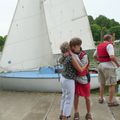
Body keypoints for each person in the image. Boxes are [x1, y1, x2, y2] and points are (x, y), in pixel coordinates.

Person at [59, 42, 88, 120]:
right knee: (69, 99)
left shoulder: (63, 56)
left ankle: (61, 114)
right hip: (69, 80)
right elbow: (80, 69)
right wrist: (86, 65)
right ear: (69, 48)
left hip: (63, 78)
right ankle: (66, 117)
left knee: (64, 97)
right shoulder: (70, 58)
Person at [93, 34, 120, 106]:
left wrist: (100, 61)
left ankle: (101, 98)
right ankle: (110, 102)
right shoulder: (109, 45)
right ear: (109, 39)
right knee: (112, 84)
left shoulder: (99, 46)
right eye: (111, 39)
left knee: (102, 83)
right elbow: (112, 57)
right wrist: (117, 64)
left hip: (101, 65)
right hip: (108, 66)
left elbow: (94, 56)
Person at [69, 38, 92, 120]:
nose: (72, 48)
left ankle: (89, 113)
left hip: (84, 79)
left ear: (78, 45)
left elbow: (81, 68)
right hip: (75, 79)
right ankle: (76, 112)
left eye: (73, 46)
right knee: (76, 96)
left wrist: (73, 56)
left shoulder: (84, 55)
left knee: (87, 97)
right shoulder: (70, 54)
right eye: (71, 47)